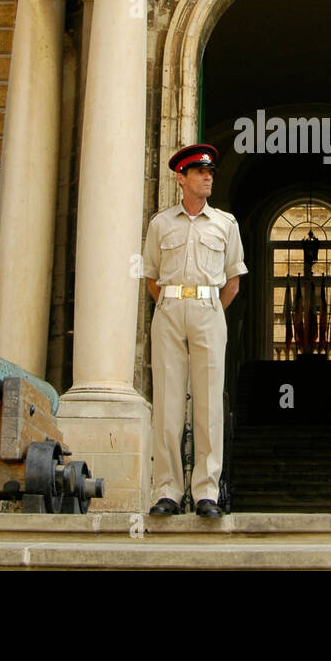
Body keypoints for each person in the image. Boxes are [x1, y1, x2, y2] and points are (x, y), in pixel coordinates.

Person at [142, 143, 247, 517]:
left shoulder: (225, 224)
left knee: (207, 403)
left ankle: (207, 492)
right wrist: (173, 304)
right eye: (200, 173)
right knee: (168, 403)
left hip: (208, 308)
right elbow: (151, 277)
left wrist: (208, 309)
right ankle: (167, 491)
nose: (208, 178)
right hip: (170, 308)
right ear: (181, 178)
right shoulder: (160, 224)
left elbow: (233, 280)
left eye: (211, 173)